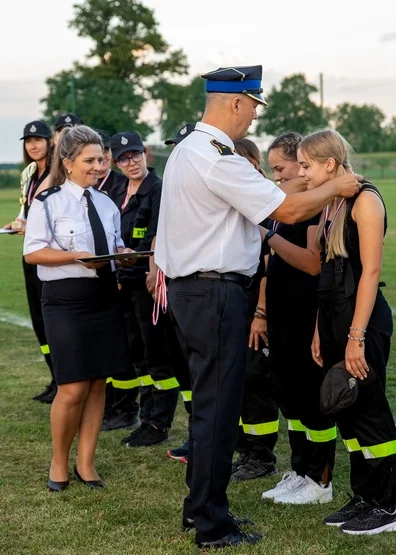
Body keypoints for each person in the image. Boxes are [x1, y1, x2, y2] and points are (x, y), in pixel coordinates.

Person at [155, 65, 361, 549]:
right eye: (252, 108)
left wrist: (309, 188)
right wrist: (338, 186)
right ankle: (211, 521)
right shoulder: (217, 157)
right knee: (218, 410)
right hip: (215, 294)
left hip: (198, 292)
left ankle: (200, 507)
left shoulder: (193, 151)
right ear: (236, 103)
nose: (251, 120)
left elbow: (274, 195)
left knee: (213, 405)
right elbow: (286, 211)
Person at [297, 129, 396, 534]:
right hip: (336, 320)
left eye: (306, 165)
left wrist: (356, 338)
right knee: (348, 411)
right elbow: (329, 276)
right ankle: (365, 496)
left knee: (370, 411)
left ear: (330, 165)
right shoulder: (332, 204)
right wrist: (322, 332)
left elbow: (370, 273)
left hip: (363, 323)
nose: (302, 174)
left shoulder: (366, 201)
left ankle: (388, 504)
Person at [23, 125, 132, 492]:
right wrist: (75, 256)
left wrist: (124, 255)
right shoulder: (47, 201)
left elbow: (112, 244)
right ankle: (58, 462)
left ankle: (87, 463)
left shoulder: (106, 202)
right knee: (71, 387)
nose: (99, 166)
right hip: (65, 300)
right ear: (67, 163)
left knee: (98, 383)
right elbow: (32, 251)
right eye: (90, 160)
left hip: (104, 295)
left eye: (102, 159)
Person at [260, 132, 337, 504]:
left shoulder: (312, 207)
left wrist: (267, 236)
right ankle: (301, 469)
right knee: (288, 395)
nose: (277, 177)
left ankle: (321, 479)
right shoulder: (284, 204)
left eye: (282, 168)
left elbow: (311, 263)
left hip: (305, 314)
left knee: (310, 394)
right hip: (282, 313)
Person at [109, 131, 179, 447]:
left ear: (145, 153)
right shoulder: (120, 189)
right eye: (123, 158)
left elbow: (155, 237)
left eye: (135, 155)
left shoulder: (158, 189)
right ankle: (144, 414)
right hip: (125, 282)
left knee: (157, 354)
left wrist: (136, 263)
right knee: (137, 353)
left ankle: (158, 423)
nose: (131, 162)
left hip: (148, 283)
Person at [230, 138, 279, 482]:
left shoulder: (261, 195)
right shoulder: (232, 193)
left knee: (255, 377)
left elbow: (268, 260)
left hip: (256, 299)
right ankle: (246, 449)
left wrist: (260, 313)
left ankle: (262, 455)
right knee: (240, 379)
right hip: (236, 296)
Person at [3, 120, 56, 403]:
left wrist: (31, 226)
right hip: (30, 254)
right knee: (38, 321)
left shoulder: (57, 172)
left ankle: (63, 379)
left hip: (49, 255)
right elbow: (28, 209)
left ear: (50, 142)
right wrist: (19, 222)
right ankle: (55, 378)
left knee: (51, 318)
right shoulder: (30, 173)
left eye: (38, 139)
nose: (33, 145)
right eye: (28, 140)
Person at [94, 129, 125, 195]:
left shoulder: (124, 182)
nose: (102, 156)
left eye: (106, 150)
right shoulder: (81, 182)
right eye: (98, 151)